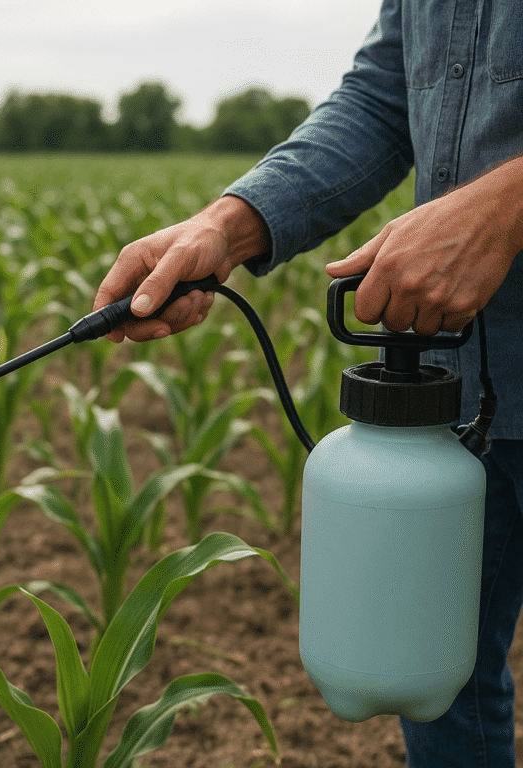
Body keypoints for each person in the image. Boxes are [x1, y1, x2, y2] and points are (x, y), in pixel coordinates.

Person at [93, 1, 523, 766]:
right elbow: (383, 98)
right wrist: (228, 224)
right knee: (438, 679)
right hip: (463, 391)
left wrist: (506, 203)